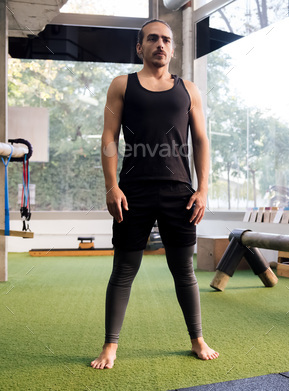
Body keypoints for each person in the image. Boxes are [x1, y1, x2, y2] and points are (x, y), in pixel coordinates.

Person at [91, 19, 219, 369]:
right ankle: (110, 346)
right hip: (133, 191)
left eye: (166, 39)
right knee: (123, 270)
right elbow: (108, 138)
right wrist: (111, 185)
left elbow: (202, 140)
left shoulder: (188, 90)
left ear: (173, 48)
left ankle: (197, 338)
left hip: (180, 192)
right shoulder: (122, 85)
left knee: (184, 271)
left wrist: (203, 189)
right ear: (140, 47)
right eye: (152, 39)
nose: (160, 44)